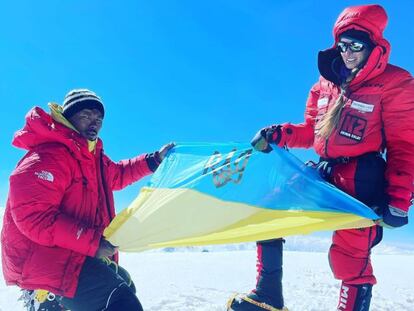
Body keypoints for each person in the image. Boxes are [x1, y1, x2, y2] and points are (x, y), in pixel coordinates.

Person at [228, 4, 414, 311]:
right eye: (344, 45)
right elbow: (311, 132)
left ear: (373, 46)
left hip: (362, 178)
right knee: (268, 210)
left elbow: (404, 145)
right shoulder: (325, 85)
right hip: (324, 173)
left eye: (357, 46)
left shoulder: (395, 84)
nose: (349, 53)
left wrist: (398, 198)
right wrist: (279, 134)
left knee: (348, 258)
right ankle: (267, 294)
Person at [1, 88, 175, 311]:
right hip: (46, 259)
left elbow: (118, 174)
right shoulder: (50, 156)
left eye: (99, 118)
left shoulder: (92, 159)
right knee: (121, 302)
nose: (94, 123)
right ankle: (44, 298)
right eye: (86, 116)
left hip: (75, 254)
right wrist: (94, 243)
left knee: (125, 286)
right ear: (67, 117)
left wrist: (154, 160)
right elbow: (33, 217)